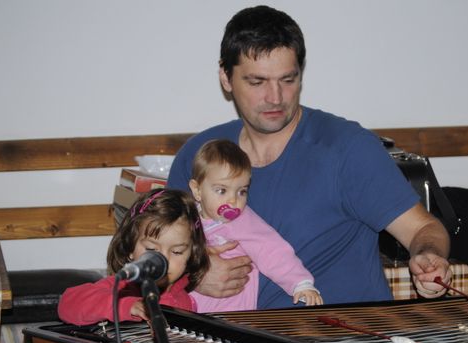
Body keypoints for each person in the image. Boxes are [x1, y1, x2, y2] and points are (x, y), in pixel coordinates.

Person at [167, 5, 452, 309]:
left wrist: (430, 257)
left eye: (288, 80)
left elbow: (423, 229)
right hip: (231, 335)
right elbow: (153, 248)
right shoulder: (199, 155)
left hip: (343, 331)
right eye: (257, 82)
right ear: (226, 77)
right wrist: (192, 274)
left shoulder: (349, 148)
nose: (275, 97)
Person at [188, 138, 322, 312]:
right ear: (197, 190)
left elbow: (271, 249)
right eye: (222, 190)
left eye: (241, 191)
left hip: (230, 311)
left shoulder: (241, 221)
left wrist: (301, 283)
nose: (233, 200)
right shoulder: (185, 219)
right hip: (187, 309)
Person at [58, 189, 209, 325]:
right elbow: (68, 304)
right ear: (130, 248)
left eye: (177, 252)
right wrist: (127, 306)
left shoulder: (188, 302)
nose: (163, 261)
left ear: (191, 254)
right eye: (151, 249)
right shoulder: (122, 287)